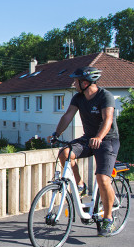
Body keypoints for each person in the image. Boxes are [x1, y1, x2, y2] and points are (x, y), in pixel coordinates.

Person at [48, 66, 120, 237]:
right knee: (64, 153)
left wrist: (100, 137)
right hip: (88, 139)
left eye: (76, 81)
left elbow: (107, 119)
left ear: (85, 83)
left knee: (103, 179)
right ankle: (80, 184)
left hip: (107, 140)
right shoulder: (78, 98)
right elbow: (67, 116)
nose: (74, 83)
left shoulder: (105, 96)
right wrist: (56, 134)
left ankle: (108, 219)